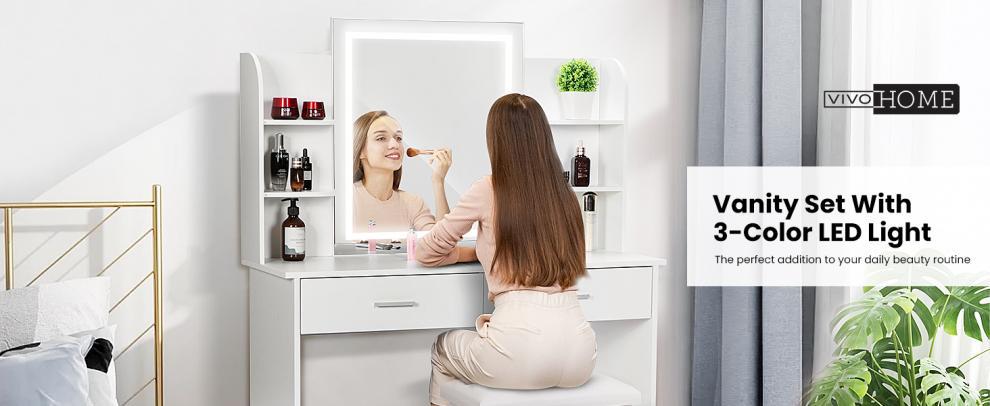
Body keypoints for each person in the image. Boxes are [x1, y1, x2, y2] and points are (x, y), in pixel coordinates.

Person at [416, 94, 595, 406]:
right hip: (581, 354)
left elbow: (426, 251)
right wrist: (473, 251)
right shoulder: (566, 195)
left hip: (519, 351)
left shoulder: (488, 188)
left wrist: (460, 251)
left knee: (442, 348)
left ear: (495, 139)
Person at [352, 110, 452, 231]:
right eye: (381, 138)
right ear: (361, 150)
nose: (395, 144)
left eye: (398, 138)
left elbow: (441, 243)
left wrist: (438, 181)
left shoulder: (414, 204)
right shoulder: (347, 199)